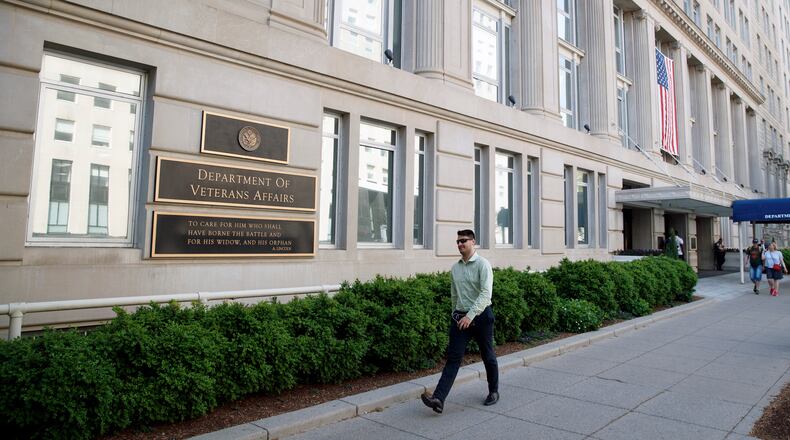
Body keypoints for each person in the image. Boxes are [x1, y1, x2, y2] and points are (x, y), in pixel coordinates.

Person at [421, 229, 498, 414]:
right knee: (454, 358)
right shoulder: (455, 268)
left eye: (463, 240)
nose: (460, 244)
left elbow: (486, 294)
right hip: (460, 319)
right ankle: (438, 399)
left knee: (487, 355)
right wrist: (455, 314)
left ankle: (493, 391)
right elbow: (454, 295)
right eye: (458, 241)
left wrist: (470, 316)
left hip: (481, 317)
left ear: (473, 242)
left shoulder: (483, 265)